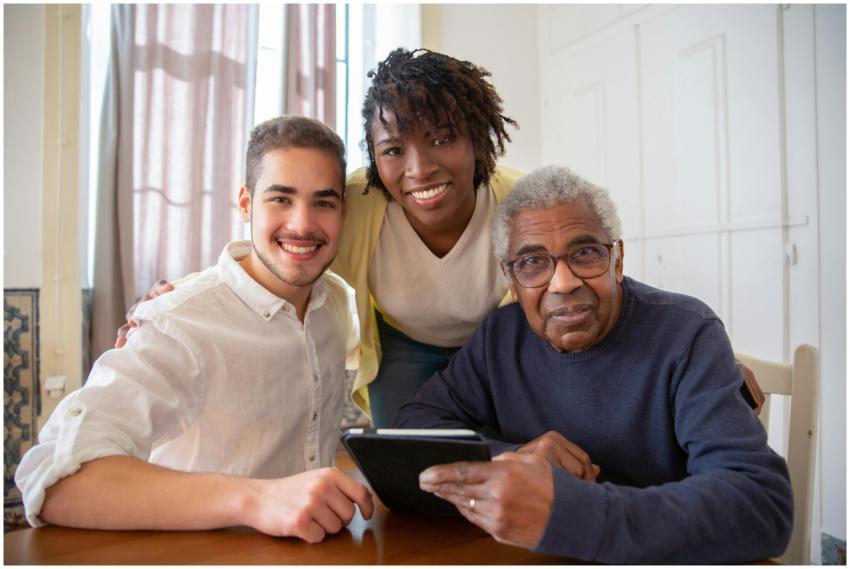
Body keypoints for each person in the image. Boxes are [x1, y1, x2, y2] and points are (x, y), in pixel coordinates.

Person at [117, 48, 765, 427]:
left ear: (478, 140)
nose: (419, 169)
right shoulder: (356, 202)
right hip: (405, 345)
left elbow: (586, 269)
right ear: (376, 157)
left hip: (506, 342)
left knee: (529, 450)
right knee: (414, 466)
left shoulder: (520, 201)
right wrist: (189, 296)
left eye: (442, 139)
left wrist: (688, 358)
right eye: (394, 149)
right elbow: (289, 245)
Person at [394, 165, 793, 563]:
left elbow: (760, 504)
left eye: (585, 253)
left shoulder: (686, 333)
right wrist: (512, 458)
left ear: (617, 260)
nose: (563, 283)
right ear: (511, 280)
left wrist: (567, 514)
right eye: (533, 262)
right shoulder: (501, 336)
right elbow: (415, 424)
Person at [15, 116, 374, 542]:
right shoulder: (178, 321)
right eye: (280, 199)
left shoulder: (335, 303)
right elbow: (54, 481)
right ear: (246, 204)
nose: (302, 224)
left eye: (323, 203)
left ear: (343, 211)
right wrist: (255, 499)